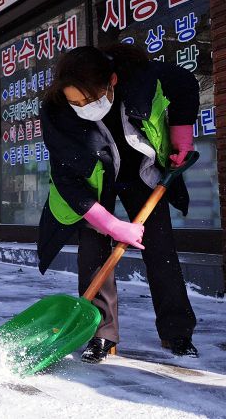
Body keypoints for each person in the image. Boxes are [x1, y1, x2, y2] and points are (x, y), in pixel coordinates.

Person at [38, 44, 200, 362]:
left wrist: (181, 135)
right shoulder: (57, 114)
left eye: (89, 99)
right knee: (93, 252)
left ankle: (178, 332)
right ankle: (101, 334)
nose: (83, 106)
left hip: (140, 170)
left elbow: (185, 83)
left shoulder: (142, 78)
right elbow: (68, 181)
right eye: (76, 103)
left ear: (112, 80)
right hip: (93, 179)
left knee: (160, 248)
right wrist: (111, 224)